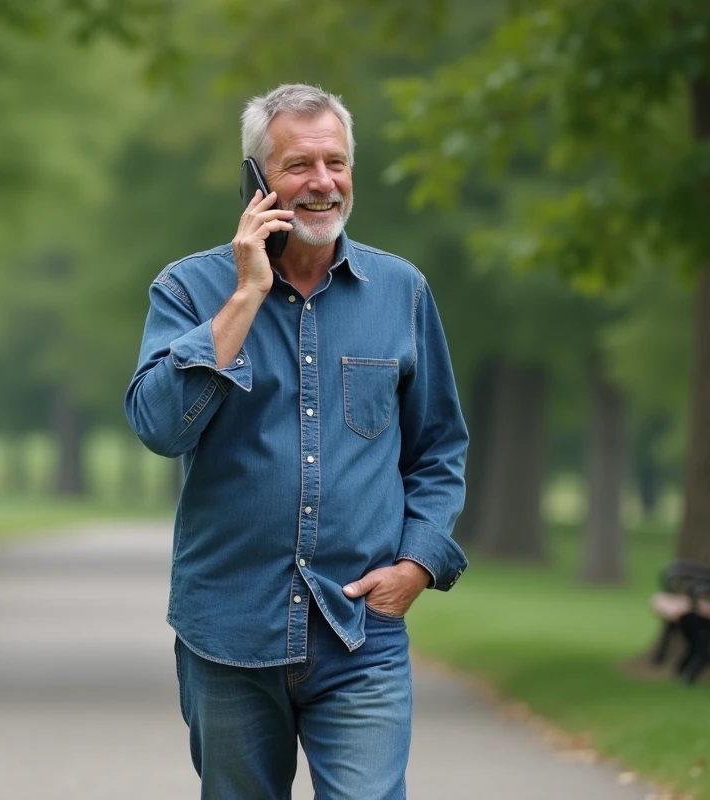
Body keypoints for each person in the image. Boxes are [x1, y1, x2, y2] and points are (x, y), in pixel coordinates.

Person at [124, 83, 468, 800]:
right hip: (228, 629)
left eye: (335, 163)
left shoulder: (401, 291)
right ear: (256, 179)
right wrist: (245, 295)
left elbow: (437, 449)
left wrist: (419, 564)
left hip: (360, 631)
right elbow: (159, 427)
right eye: (298, 165)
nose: (322, 182)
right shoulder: (188, 289)